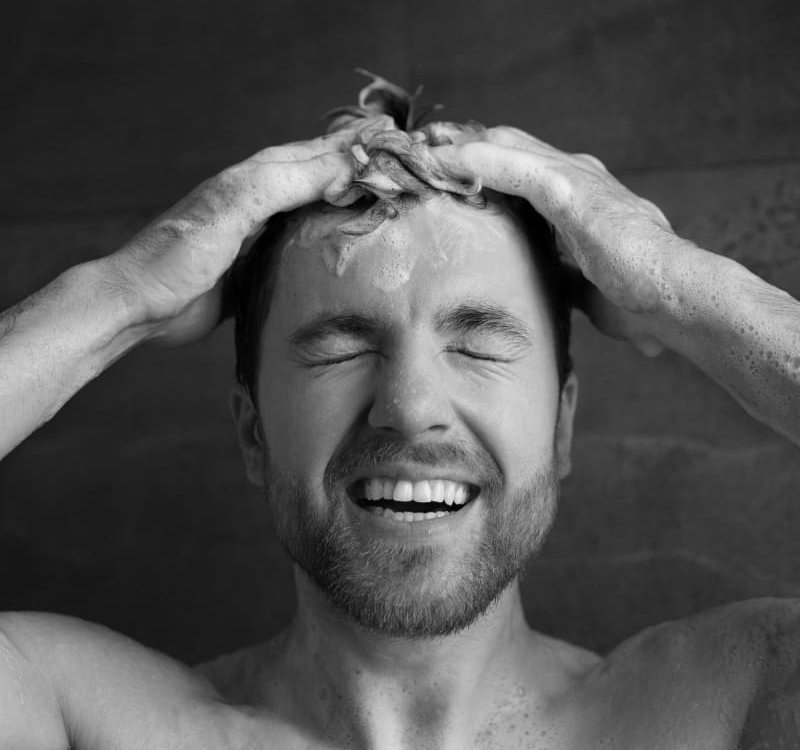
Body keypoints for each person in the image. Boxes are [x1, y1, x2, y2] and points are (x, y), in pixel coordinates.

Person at [0, 71, 798, 749]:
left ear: (560, 424)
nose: (410, 410)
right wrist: (123, 296)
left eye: (479, 346)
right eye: (342, 348)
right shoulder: (77, 717)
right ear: (253, 430)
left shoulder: (736, 704)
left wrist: (678, 285)